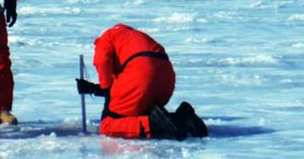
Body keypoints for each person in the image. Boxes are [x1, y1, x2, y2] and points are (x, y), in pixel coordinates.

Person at [76, 23, 208, 140]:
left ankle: (153, 124)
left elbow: (102, 61)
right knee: (139, 112)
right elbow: (122, 86)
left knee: (108, 124)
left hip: (142, 77)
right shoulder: (134, 37)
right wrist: (94, 89)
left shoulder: (107, 37)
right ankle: (182, 117)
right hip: (166, 79)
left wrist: (104, 86)